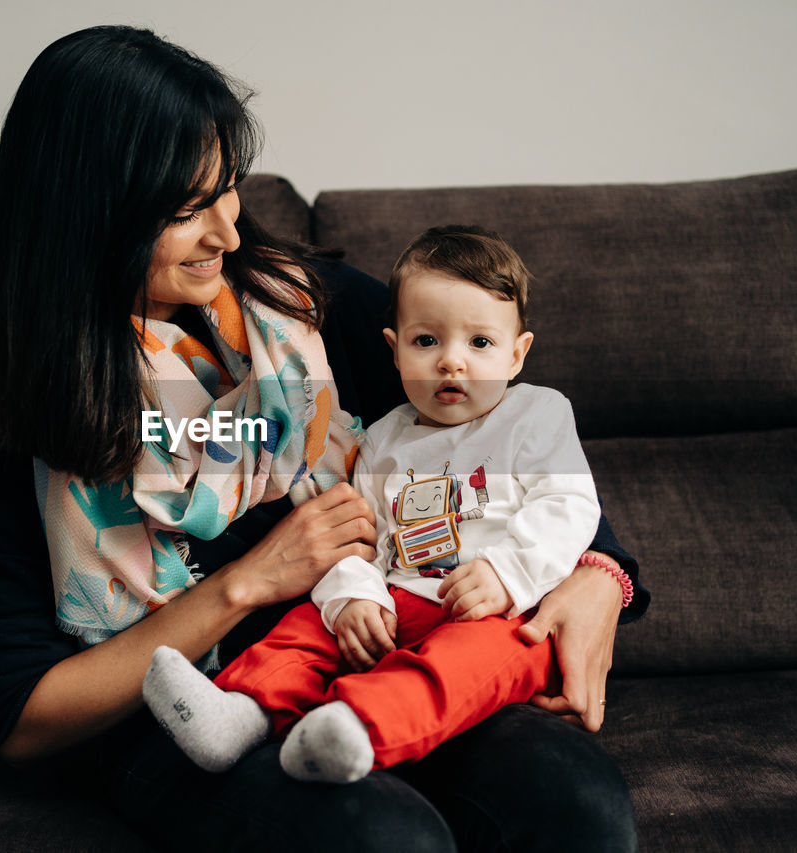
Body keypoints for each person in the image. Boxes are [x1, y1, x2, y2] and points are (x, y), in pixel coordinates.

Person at [0, 24, 650, 852]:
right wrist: (249, 582)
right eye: (185, 210)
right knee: (382, 839)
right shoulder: (36, 414)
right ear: (89, 217)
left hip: (389, 649)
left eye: (227, 188)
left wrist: (603, 577)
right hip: (188, 714)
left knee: (572, 805)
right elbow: (21, 716)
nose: (228, 233)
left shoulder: (311, 306)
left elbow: (502, 435)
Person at [142, 225, 632, 785]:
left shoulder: (537, 414)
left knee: (476, 660)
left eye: (480, 343)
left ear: (518, 354)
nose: (452, 362)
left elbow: (567, 504)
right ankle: (238, 710)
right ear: (393, 349)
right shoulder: (382, 438)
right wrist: (355, 593)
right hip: (401, 597)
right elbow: (362, 534)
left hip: (499, 608)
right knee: (310, 628)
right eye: (427, 342)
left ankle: (356, 728)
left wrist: (508, 573)